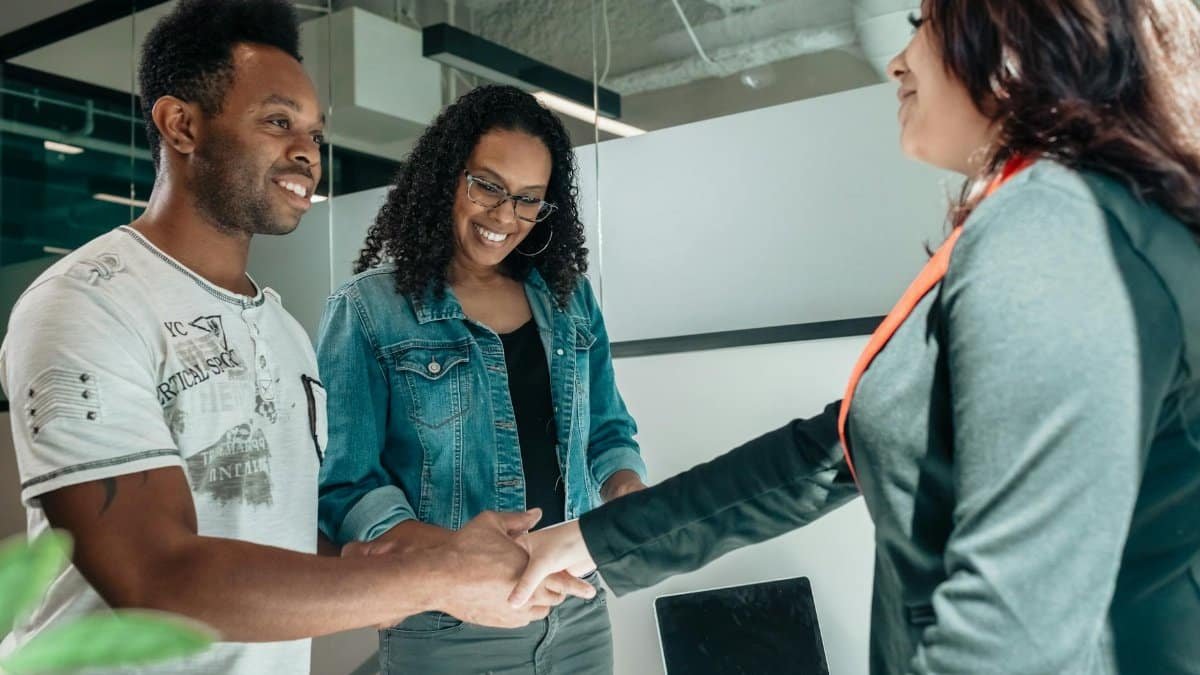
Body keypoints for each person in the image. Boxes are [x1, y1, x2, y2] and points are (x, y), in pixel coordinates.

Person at [512, 1, 1200, 673]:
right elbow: (832, 450)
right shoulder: (1068, 218)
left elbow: (1010, 631)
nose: (898, 62)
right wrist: (589, 539)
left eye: (922, 25)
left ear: (1014, 31)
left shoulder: (1056, 236)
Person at [0, 3, 589, 673]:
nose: (307, 152)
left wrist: (409, 555)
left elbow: (266, 529)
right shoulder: (86, 303)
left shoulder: (280, 331)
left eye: (314, 132)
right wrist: (437, 578)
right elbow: (157, 579)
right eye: (278, 122)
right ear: (181, 125)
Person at [317, 84, 648, 674]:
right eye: (488, 186)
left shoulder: (570, 300)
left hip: (577, 612)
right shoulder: (368, 310)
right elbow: (347, 484)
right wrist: (450, 559)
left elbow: (607, 431)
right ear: (447, 177)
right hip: (450, 620)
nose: (505, 216)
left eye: (528, 199)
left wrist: (627, 492)